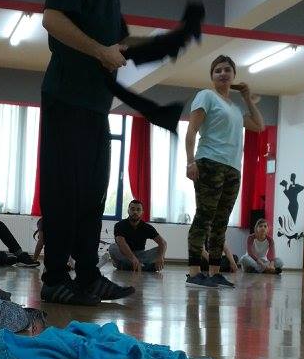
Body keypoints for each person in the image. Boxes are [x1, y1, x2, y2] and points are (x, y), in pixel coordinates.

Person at [39, 0, 136, 305]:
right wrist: (100, 50)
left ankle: (88, 276)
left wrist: (119, 50)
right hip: (67, 98)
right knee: (65, 190)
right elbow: (52, 20)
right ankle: (56, 278)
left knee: (93, 193)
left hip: (95, 104)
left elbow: (110, 39)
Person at [185, 55, 264, 289]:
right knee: (204, 217)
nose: (222, 73)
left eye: (227, 69)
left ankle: (214, 272)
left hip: (233, 168)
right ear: (212, 76)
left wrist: (248, 98)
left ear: (233, 75)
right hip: (209, 162)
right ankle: (194, 272)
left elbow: (259, 125)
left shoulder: (236, 109)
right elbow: (191, 131)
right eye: (217, 70)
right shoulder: (206, 96)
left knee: (221, 221)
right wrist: (190, 162)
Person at [110, 199, 167, 272]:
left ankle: (126, 266)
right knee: (112, 247)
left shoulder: (147, 227)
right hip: (124, 254)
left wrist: (160, 258)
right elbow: (121, 243)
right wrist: (133, 258)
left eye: (138, 210)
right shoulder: (119, 225)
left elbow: (163, 243)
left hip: (140, 255)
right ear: (128, 211)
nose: (135, 212)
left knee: (160, 249)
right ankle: (143, 267)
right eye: (132, 209)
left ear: (142, 212)